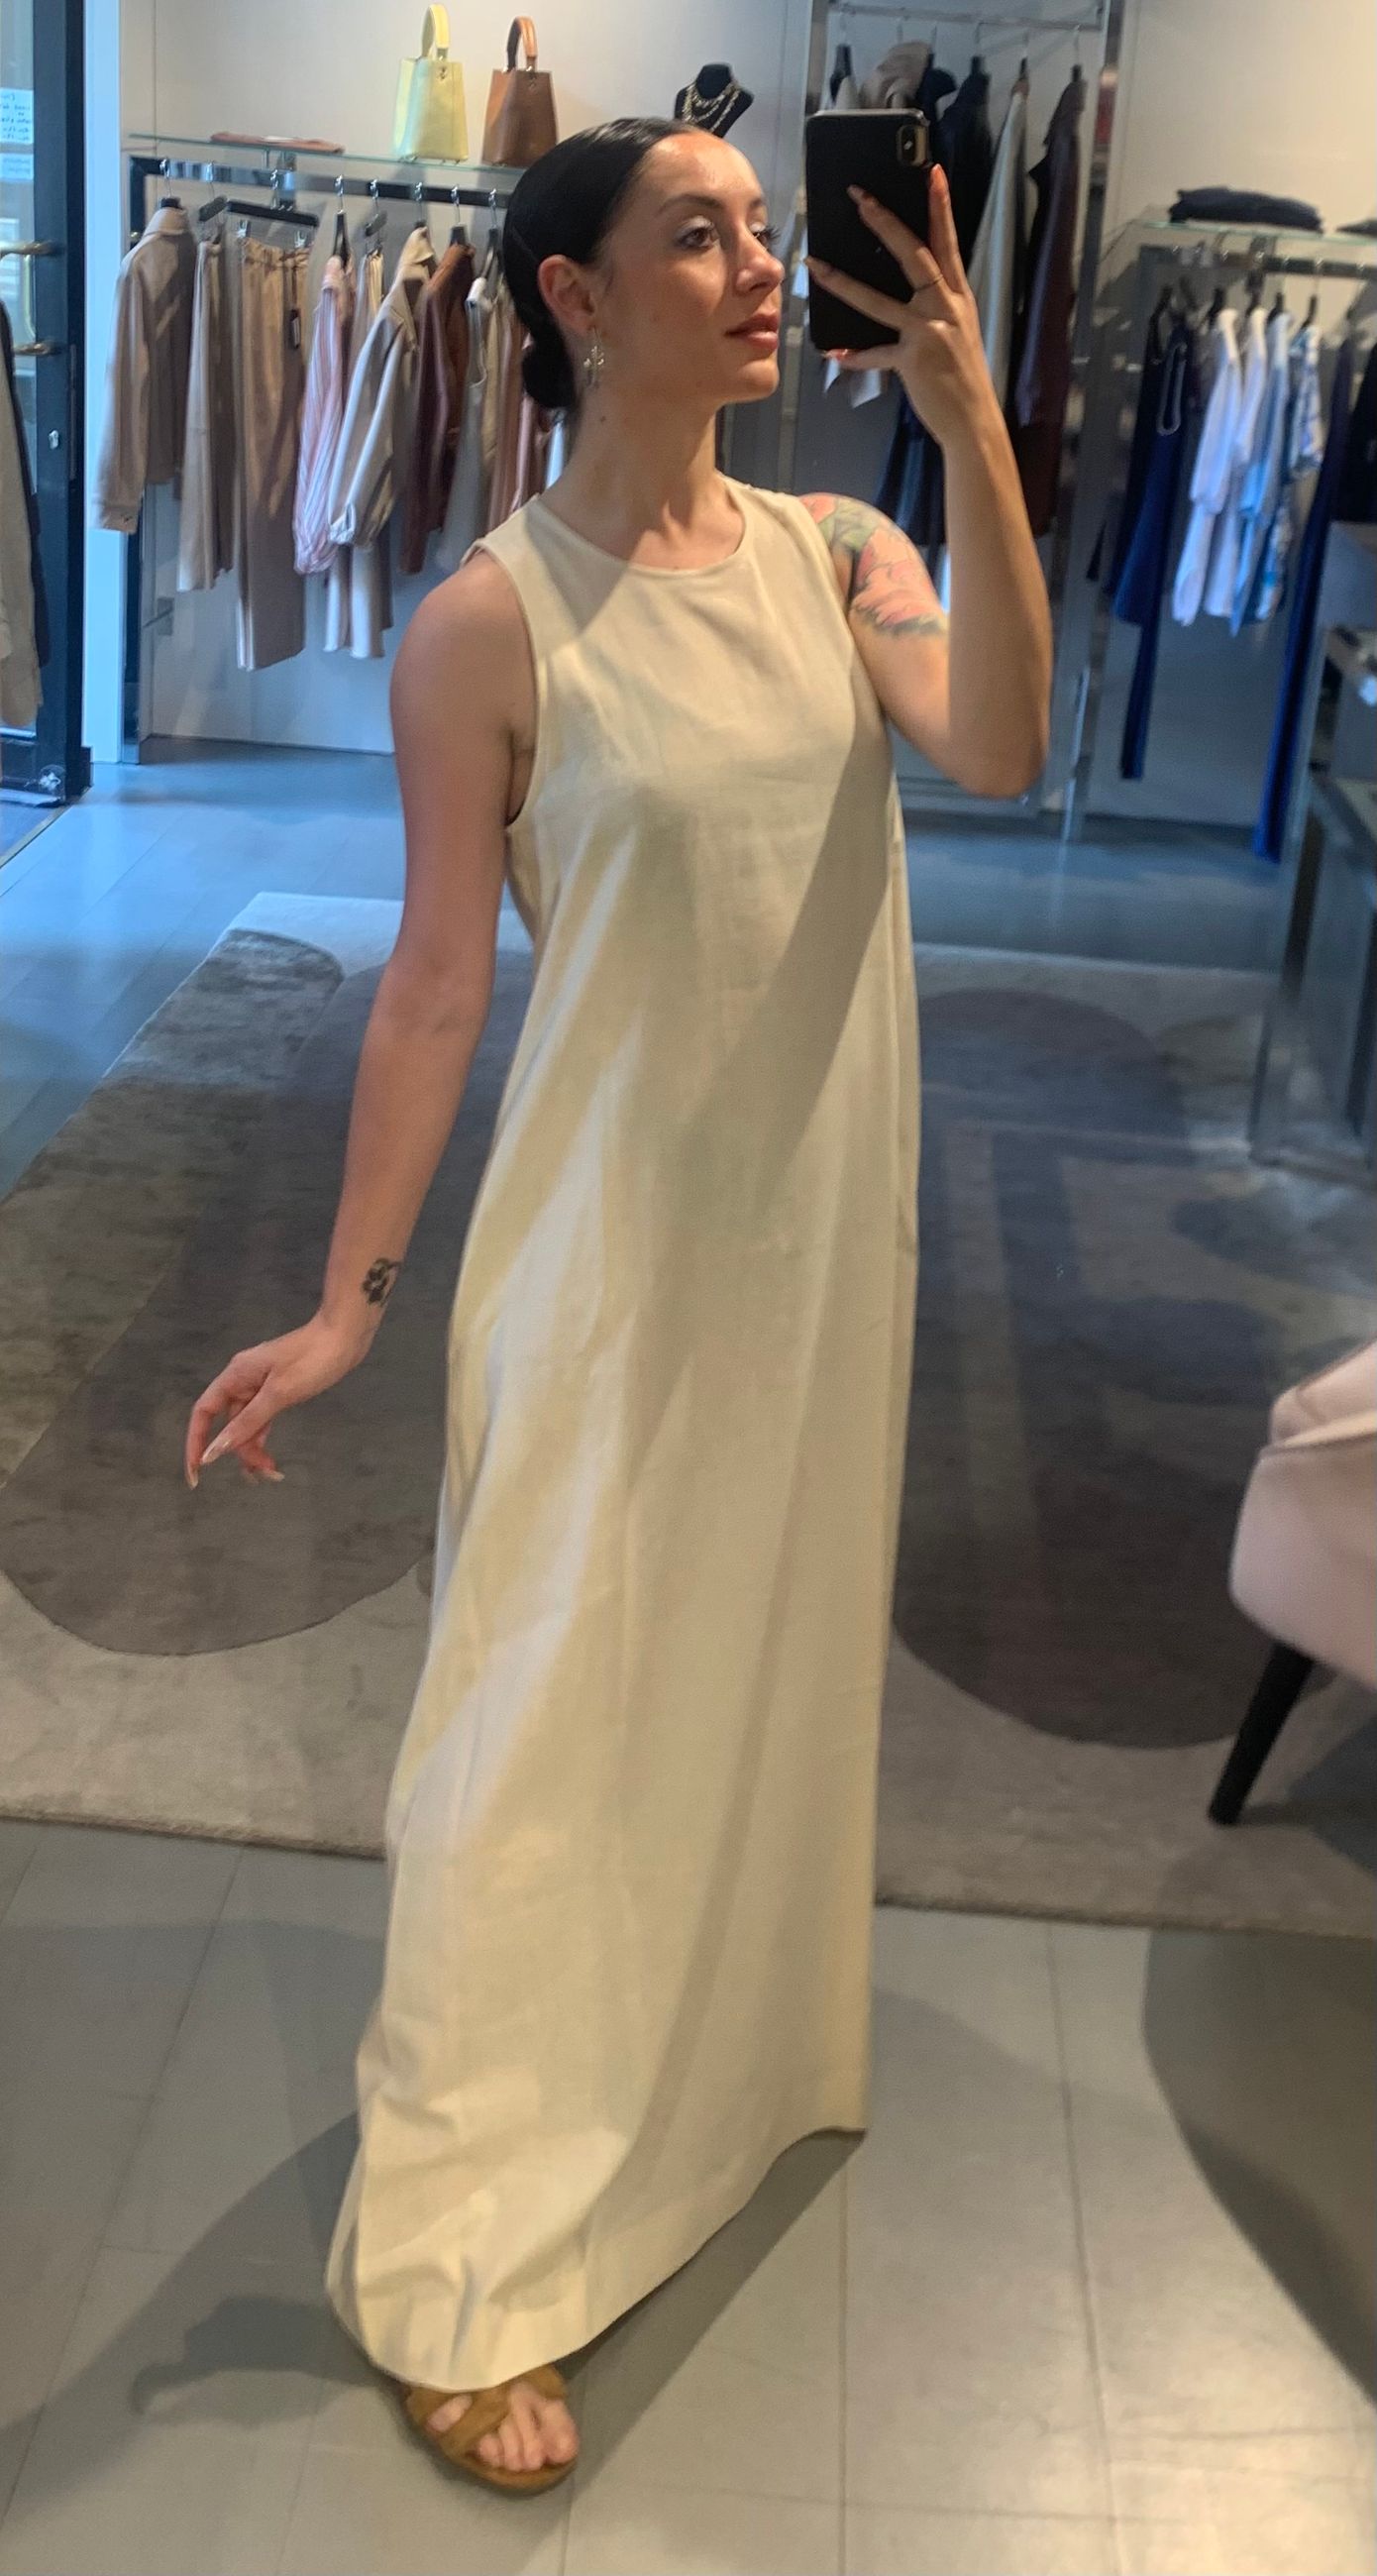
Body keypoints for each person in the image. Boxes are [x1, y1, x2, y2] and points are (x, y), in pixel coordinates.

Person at [182, 115, 1050, 2497]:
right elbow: (433, 987)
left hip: (814, 1245)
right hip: (604, 1257)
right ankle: (452, 2262)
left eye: (766, 231)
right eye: (701, 235)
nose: (760, 267)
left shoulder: (842, 553)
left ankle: (705, 2091)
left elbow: (994, 742)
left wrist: (968, 424)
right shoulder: (486, 623)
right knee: (536, 1732)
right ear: (573, 299)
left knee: (748, 1664)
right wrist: (350, 1305)